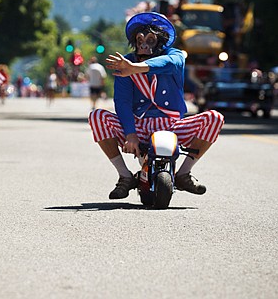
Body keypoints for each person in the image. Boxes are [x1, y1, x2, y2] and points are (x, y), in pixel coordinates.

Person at [88, 12, 224, 200]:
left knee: (214, 118)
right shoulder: (125, 62)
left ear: (160, 42)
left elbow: (169, 63)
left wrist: (135, 69)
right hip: (139, 125)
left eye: (150, 40)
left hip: (173, 126)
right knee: (97, 116)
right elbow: (123, 102)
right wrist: (130, 134)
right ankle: (125, 176)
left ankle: (184, 174)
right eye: (140, 39)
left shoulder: (174, 55)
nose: (144, 44)